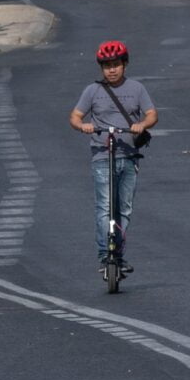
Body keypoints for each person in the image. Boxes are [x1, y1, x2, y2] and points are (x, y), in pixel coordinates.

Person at [68, 41, 157, 274]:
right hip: (102, 156)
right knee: (105, 207)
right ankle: (104, 254)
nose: (112, 70)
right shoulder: (92, 91)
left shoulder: (137, 88)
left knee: (124, 208)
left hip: (128, 156)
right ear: (101, 68)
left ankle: (117, 255)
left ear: (125, 64)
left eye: (116, 65)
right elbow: (75, 116)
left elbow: (152, 114)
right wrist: (83, 126)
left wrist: (141, 125)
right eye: (107, 66)